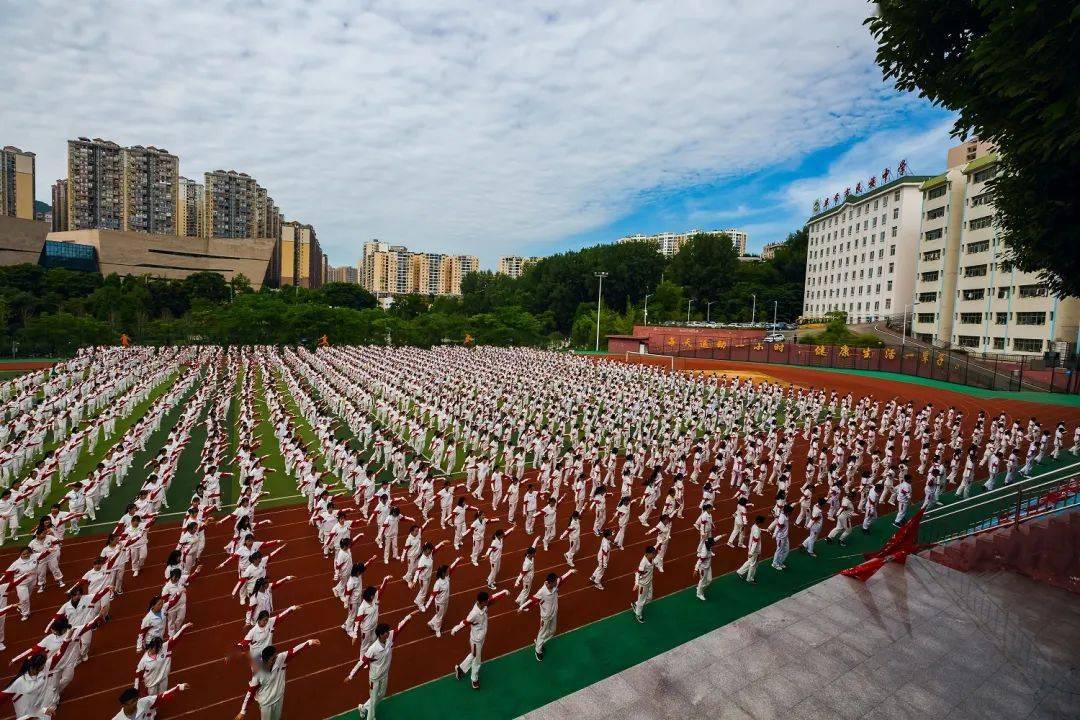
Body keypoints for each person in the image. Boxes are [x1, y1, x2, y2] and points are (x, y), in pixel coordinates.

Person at [346, 613, 415, 720]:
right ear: (381, 634)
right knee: (373, 699)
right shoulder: (373, 649)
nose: (389, 633)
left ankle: (363, 708)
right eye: (386, 632)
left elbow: (399, 627)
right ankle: (370, 717)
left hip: (384, 674)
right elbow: (362, 662)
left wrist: (409, 616)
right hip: (374, 678)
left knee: (381, 695)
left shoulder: (390, 637)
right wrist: (351, 675)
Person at [236, 639, 320, 720]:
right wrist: (243, 711)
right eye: (273, 658)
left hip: (279, 698)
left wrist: (310, 642)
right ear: (267, 660)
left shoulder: (281, 658)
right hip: (266, 703)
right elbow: (250, 693)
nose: (276, 658)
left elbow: (294, 651)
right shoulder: (258, 674)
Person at [452, 589, 508, 690]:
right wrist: (455, 629)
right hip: (475, 640)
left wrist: (503, 592)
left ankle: (460, 669)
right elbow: (465, 622)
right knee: (477, 660)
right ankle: (474, 679)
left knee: (473, 655)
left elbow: (493, 599)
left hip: (481, 636)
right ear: (481, 602)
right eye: (486, 601)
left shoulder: (484, 605)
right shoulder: (474, 614)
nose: (488, 602)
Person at [520, 569, 575, 661]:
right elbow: (532, 600)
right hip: (545, 617)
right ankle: (538, 650)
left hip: (554, 614)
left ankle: (539, 642)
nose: (556, 583)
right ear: (550, 583)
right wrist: (522, 607)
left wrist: (570, 571)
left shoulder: (554, 584)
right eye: (555, 582)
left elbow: (562, 579)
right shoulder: (542, 592)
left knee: (553, 631)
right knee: (542, 633)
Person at [114, 683, 190, 720]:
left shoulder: (144, 703)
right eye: (132, 702)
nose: (136, 703)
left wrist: (179, 687)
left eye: (136, 700)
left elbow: (162, 697)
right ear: (124, 705)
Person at [631, 546, 658, 624]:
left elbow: (657, 545)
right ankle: (638, 614)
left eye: (654, 554)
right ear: (648, 554)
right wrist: (636, 584)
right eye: (653, 554)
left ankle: (636, 604)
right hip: (643, 585)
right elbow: (637, 573)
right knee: (641, 601)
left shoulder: (651, 558)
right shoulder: (643, 563)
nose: (654, 555)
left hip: (649, 582)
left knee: (649, 598)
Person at [736, 516, 765, 584]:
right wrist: (751, 552)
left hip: (751, 547)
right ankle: (750, 578)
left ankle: (740, 571)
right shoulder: (757, 531)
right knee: (753, 564)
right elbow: (755, 542)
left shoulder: (754, 526)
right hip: (755, 550)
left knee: (750, 561)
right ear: (761, 522)